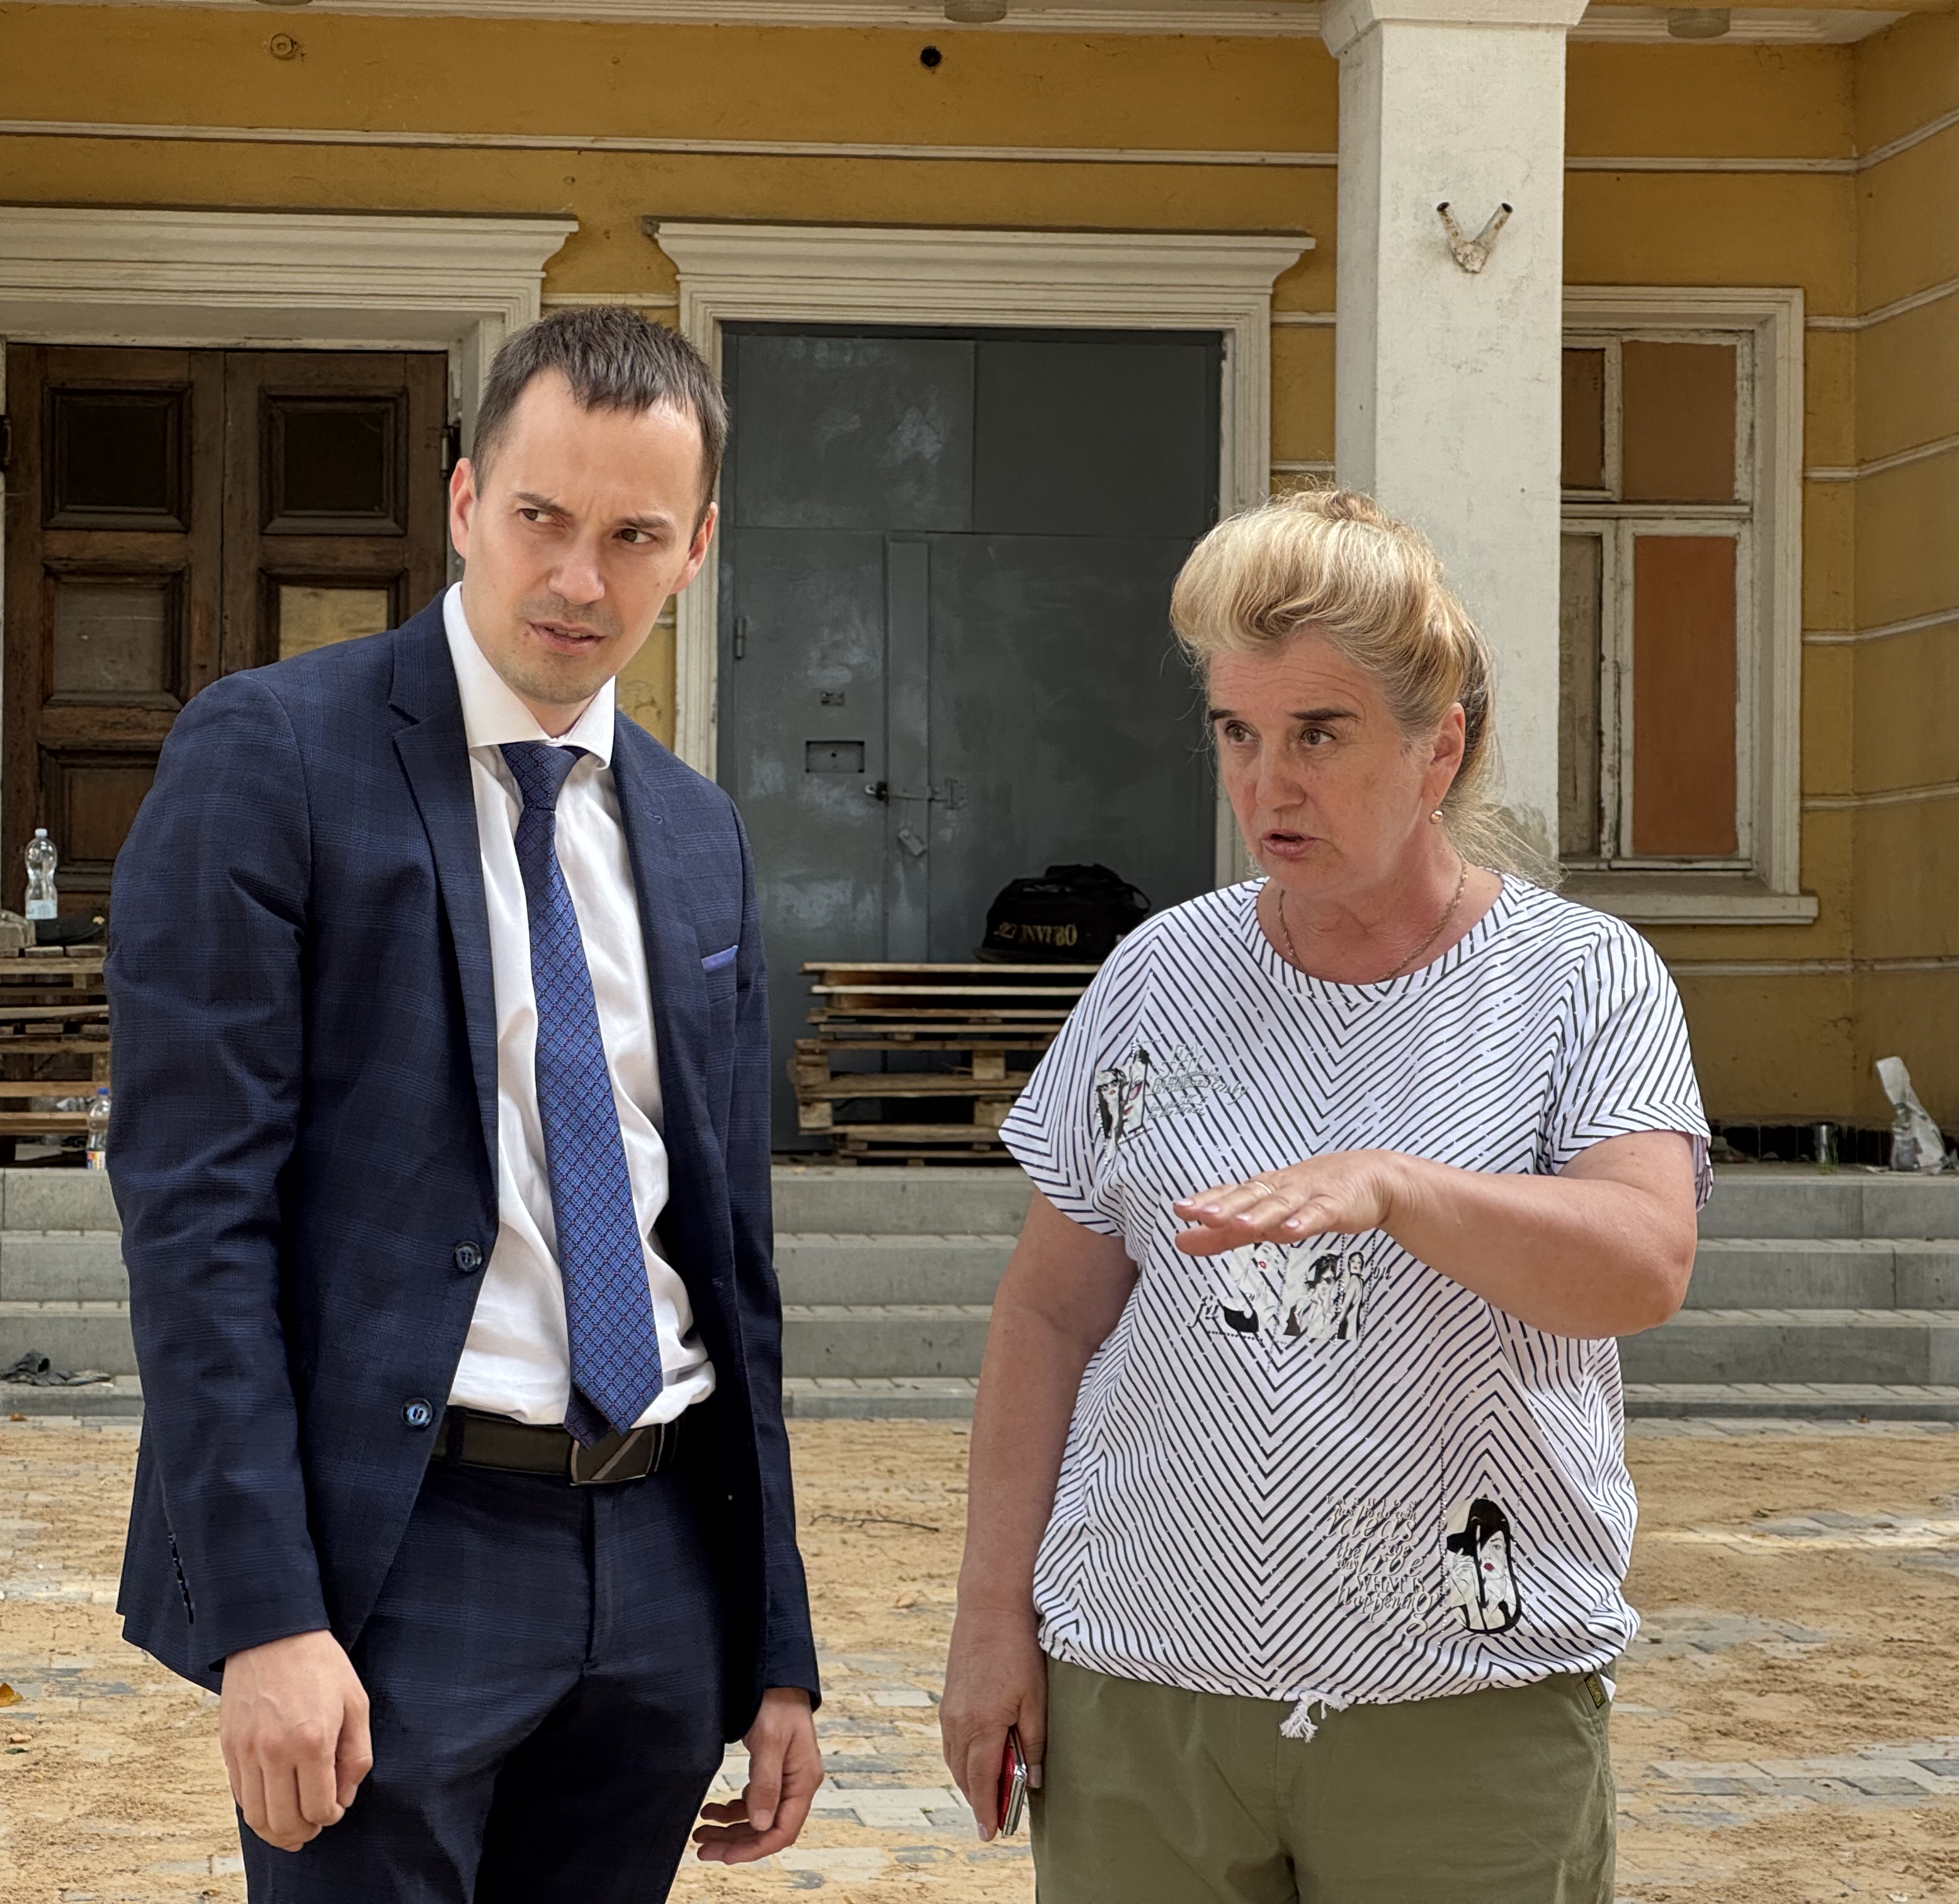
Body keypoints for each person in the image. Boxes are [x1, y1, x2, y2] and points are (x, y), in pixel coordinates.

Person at [105, 306, 822, 1903]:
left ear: (697, 548)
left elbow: (733, 1257)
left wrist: (777, 1644)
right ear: (462, 502)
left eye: (634, 537)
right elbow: (196, 1218)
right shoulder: (273, 758)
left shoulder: (696, 831)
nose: (580, 580)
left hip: (659, 1556)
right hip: (395, 1556)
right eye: (541, 518)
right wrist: (267, 1615)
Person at [940, 489, 1708, 1903]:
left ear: (1439, 747)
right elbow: (1049, 1316)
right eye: (1237, 732)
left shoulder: (1581, 980)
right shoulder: (1156, 975)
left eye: (1319, 734)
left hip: (1465, 1700)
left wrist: (1401, 1190)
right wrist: (992, 1620)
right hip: (1146, 1684)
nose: (1267, 786)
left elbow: (1642, 1264)